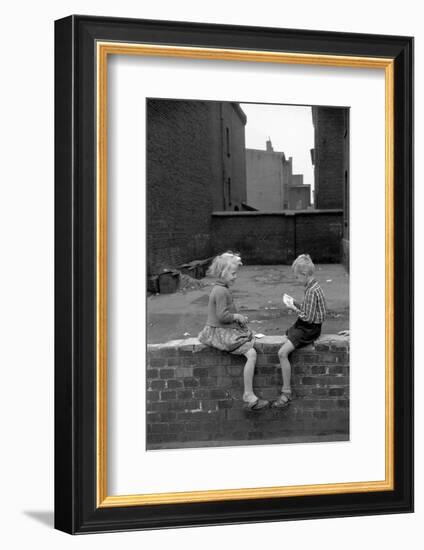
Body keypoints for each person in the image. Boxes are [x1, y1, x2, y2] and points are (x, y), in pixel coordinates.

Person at [198, 251, 269, 411]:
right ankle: (248, 394)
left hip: (220, 329)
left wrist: (238, 318)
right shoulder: (221, 291)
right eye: (233, 273)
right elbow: (222, 316)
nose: (236, 276)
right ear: (223, 273)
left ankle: (249, 394)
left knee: (249, 338)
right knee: (251, 354)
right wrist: (236, 316)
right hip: (219, 332)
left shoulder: (220, 288)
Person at [274, 254, 327, 409]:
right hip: (312, 326)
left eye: (297, 277)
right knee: (288, 332)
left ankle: (286, 392)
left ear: (304, 275)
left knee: (282, 353)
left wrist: (293, 308)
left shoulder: (310, 292)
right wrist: (296, 303)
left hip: (309, 328)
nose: (297, 281)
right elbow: (316, 311)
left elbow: (308, 318)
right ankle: (286, 390)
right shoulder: (315, 286)